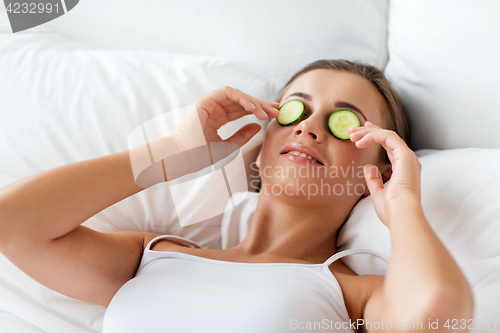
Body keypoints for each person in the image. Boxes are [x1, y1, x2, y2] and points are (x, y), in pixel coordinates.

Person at [0, 59, 473, 333]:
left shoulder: (352, 299)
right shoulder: (152, 257)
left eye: (343, 121)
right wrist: (167, 154)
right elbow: (13, 223)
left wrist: (404, 203)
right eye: (294, 110)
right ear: (264, 138)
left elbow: (439, 314)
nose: (307, 126)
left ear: (380, 165)